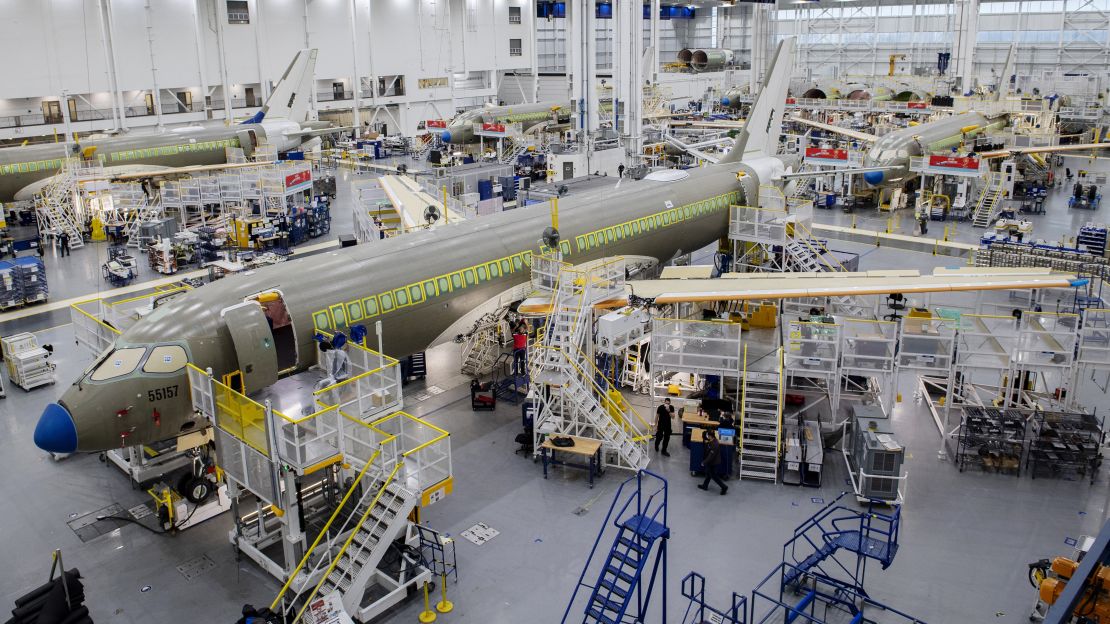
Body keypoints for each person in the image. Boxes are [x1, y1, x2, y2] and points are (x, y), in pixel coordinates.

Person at [698, 429, 728, 495]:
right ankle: (705, 486)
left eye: (708, 435)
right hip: (711, 462)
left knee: (714, 476)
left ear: (710, 436)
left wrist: (704, 462)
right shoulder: (712, 440)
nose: (707, 437)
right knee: (708, 474)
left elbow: (711, 456)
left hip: (713, 463)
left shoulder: (715, 444)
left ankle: (724, 487)